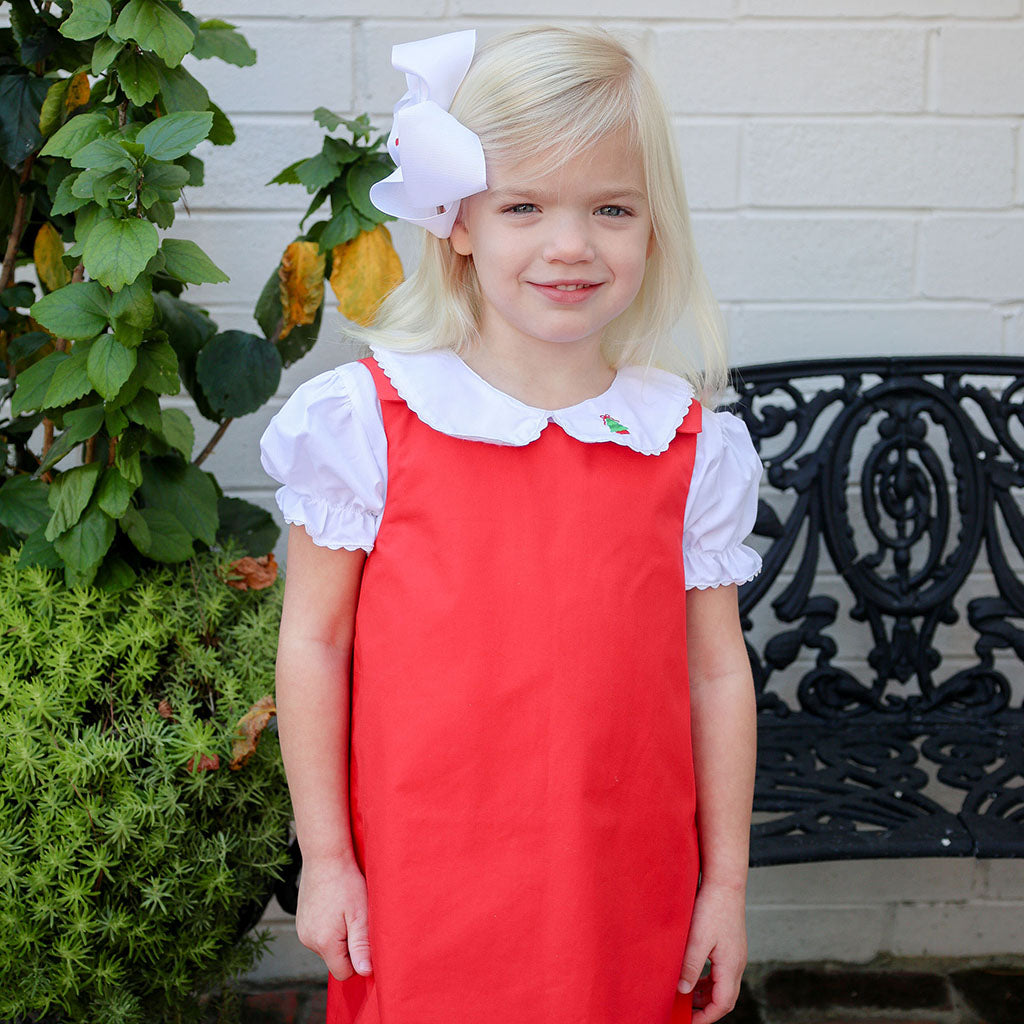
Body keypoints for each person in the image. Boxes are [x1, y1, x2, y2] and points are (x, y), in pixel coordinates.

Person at [260, 25, 762, 1024]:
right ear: (457, 220)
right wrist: (325, 858)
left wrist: (726, 886)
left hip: (624, 883)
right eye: (523, 205)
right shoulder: (369, 423)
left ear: (651, 225)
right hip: (424, 880)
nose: (569, 243)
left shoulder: (683, 440)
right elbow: (314, 642)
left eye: (610, 208)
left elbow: (714, 672)